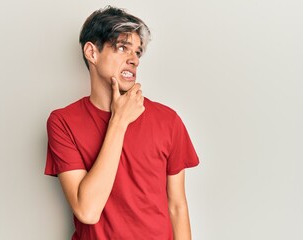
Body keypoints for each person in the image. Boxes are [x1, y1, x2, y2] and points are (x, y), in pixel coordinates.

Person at [45, 6, 199, 240]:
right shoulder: (63, 122)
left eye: (137, 52)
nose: (134, 60)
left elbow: (177, 206)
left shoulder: (168, 120)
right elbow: (87, 210)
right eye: (122, 48)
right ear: (92, 52)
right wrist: (119, 121)